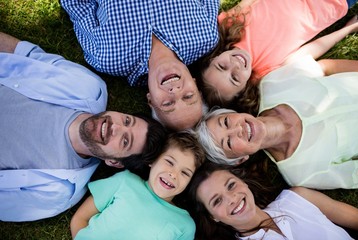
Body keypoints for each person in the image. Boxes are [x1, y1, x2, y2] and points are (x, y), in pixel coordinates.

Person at [0, 32, 167, 222]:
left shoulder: (57, 192)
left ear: (114, 162)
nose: (116, 127)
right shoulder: (88, 87)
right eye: (127, 121)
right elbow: (24, 54)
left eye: (125, 141)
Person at [195, 55, 358, 189]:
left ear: (233, 113)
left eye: (225, 122)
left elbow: (324, 67)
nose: (237, 130)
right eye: (229, 142)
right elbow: (355, 172)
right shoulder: (300, 173)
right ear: (241, 159)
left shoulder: (272, 85)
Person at [60, 0, 220, 130]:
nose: (175, 91)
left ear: (151, 100)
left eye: (168, 104)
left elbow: (79, 8)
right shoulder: (206, 37)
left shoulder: (108, 58)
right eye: (188, 96)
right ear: (195, 82)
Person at [194, 0, 358, 111]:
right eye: (235, 78)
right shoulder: (267, 72)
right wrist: (348, 29)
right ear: (244, 89)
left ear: (213, 58)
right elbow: (314, 48)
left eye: (222, 66)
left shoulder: (226, 25)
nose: (235, 65)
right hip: (330, 4)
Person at [70, 131, 206, 240]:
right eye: (170, 162)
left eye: (185, 173)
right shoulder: (125, 181)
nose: (174, 174)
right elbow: (80, 218)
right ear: (153, 160)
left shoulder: (184, 225)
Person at [188, 161, 358, 240]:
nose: (231, 198)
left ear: (243, 183)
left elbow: (356, 219)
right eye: (217, 201)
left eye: (231, 185)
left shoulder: (297, 197)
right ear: (213, 217)